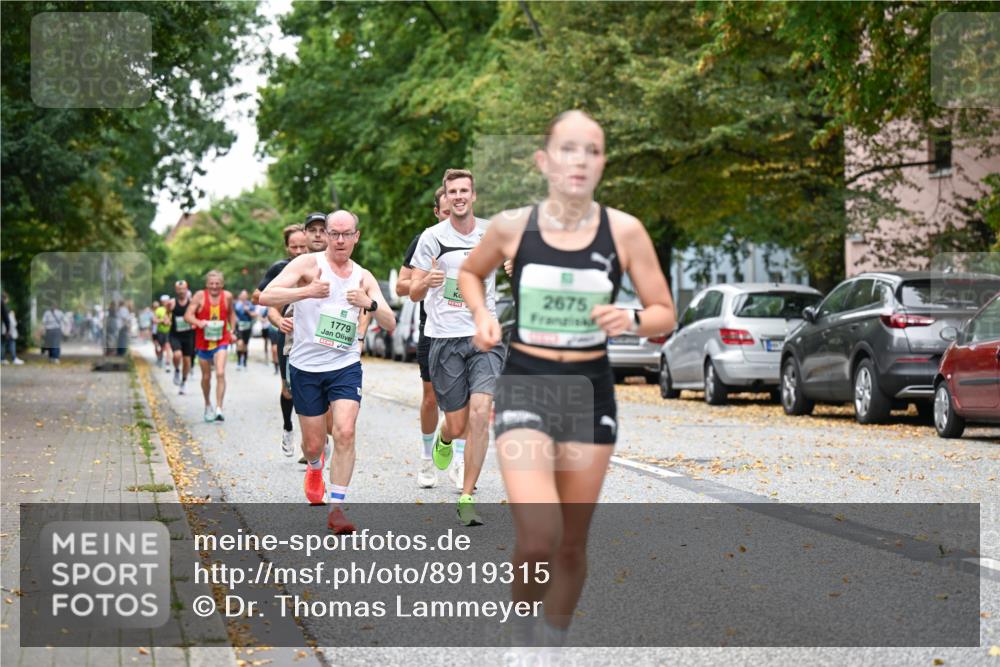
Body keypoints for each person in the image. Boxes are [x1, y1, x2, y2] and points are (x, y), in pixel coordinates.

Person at [459, 110, 676, 650]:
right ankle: (523, 639)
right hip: (526, 381)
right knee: (539, 538)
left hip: (589, 392)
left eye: (593, 150)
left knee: (571, 547)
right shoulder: (511, 226)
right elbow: (470, 272)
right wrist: (482, 316)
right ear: (544, 161)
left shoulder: (624, 231)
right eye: (568, 149)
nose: (580, 160)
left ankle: (549, 646)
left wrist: (629, 319)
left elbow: (664, 313)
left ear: (602, 163)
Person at [260, 210, 395, 534]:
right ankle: (316, 467)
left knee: (345, 431)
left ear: (356, 237)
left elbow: (389, 322)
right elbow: (266, 296)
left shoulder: (363, 276)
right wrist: (304, 292)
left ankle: (336, 508)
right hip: (306, 367)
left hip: (345, 366)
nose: (338, 239)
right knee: (313, 444)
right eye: (333, 233)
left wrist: (371, 304)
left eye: (345, 234)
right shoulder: (307, 265)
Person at [409, 169, 504, 525]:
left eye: (464, 190)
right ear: (446, 198)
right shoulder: (432, 238)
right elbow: (413, 291)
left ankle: (466, 496)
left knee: (481, 412)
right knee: (457, 422)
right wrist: (427, 282)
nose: (458, 196)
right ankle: (445, 439)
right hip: (444, 338)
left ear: (474, 195)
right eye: (452, 192)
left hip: (483, 334)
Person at [396, 186, 451, 488]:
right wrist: (426, 281)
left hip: (468, 329)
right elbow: (401, 287)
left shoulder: (478, 238)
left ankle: (455, 452)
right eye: (445, 212)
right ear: (436, 212)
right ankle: (427, 459)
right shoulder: (424, 241)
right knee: (432, 398)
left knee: (467, 401)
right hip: (433, 329)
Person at [254, 221, 312, 456]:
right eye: (293, 247)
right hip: (288, 334)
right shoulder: (280, 268)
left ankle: (312, 441)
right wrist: (280, 315)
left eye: (302, 247)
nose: (298, 251)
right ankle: (288, 427)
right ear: (287, 248)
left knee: (313, 389)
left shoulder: (319, 265)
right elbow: (259, 295)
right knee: (289, 390)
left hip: (314, 335)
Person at [185, 270, 237, 422]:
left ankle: (219, 408)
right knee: (206, 377)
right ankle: (208, 404)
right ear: (207, 285)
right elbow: (188, 316)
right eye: (211, 284)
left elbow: (231, 314)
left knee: (220, 372)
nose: (214, 287)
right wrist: (199, 323)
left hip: (222, 340)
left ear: (222, 284)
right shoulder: (199, 296)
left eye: (217, 284)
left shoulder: (227, 296)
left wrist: (232, 330)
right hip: (203, 342)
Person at [169, 280, 196, 394]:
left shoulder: (192, 303)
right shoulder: (172, 303)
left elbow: (196, 315)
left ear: (187, 289)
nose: (181, 291)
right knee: (177, 354)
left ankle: (183, 382)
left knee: (187, 360)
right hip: (175, 335)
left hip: (189, 335)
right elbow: (166, 314)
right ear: (176, 290)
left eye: (183, 289)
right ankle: (176, 370)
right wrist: (166, 319)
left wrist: (195, 323)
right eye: (179, 289)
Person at [233, 290, 255, 370]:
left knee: (245, 345)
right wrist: (235, 319)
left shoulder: (250, 304)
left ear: (247, 296)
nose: (244, 296)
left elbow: (254, 314)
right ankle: (239, 362)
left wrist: (248, 311)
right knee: (239, 343)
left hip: (248, 326)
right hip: (239, 326)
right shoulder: (236, 304)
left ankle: (244, 362)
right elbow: (232, 314)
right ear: (240, 296)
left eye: (245, 295)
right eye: (242, 295)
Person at [2, 294, 23, 365]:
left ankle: (2, 358)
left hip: (3, 330)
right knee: (11, 343)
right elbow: (11, 322)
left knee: (3, 344)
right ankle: (13, 358)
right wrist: (9, 330)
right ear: (6, 299)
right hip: (8, 330)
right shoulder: (6, 309)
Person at [153, 296, 172, 369]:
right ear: (161, 302)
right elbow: (154, 320)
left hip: (169, 331)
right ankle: (160, 358)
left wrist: (169, 322)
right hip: (160, 331)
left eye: (167, 301)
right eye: (164, 301)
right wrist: (162, 321)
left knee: (167, 346)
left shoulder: (171, 309)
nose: (166, 302)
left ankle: (167, 364)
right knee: (162, 347)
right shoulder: (159, 310)